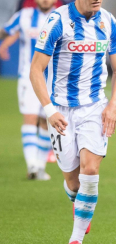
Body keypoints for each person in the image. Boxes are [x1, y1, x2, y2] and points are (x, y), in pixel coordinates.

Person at [30, 0, 116, 244]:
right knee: (73, 182)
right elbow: (36, 70)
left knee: (91, 169)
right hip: (61, 110)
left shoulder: (109, 21)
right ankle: (78, 202)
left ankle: (75, 242)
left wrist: (113, 105)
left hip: (95, 108)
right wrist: (50, 111)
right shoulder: (57, 21)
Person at [0, 0, 58, 180]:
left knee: (47, 121)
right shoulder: (24, 16)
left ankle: (39, 166)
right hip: (28, 76)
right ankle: (32, 164)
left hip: (53, 79)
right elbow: (8, 31)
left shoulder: (62, 16)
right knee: (30, 117)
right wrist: (4, 43)